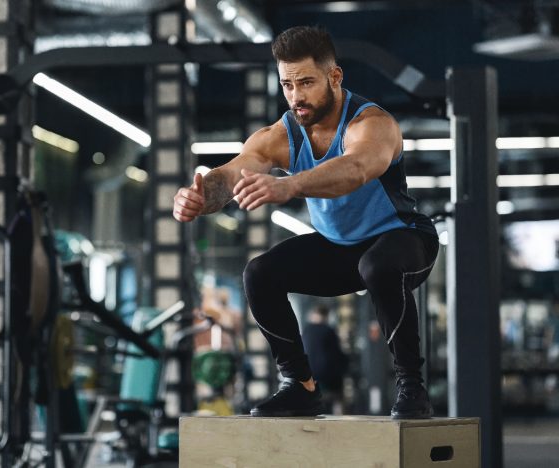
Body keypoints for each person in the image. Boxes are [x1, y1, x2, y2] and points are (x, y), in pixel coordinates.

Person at [173, 25, 439, 419]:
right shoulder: (280, 135)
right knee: (259, 273)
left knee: (377, 265)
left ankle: (412, 388)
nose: (296, 96)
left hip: (403, 239)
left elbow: (356, 167)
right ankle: (299, 386)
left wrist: (290, 185)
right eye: (287, 85)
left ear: (335, 77)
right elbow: (230, 176)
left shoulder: (372, 124)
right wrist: (198, 196)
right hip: (340, 249)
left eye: (307, 83)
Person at [301, 305, 348, 414]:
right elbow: (336, 355)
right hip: (328, 378)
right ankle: (340, 419)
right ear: (326, 316)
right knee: (339, 396)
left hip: (309, 377)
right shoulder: (329, 331)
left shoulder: (306, 331)